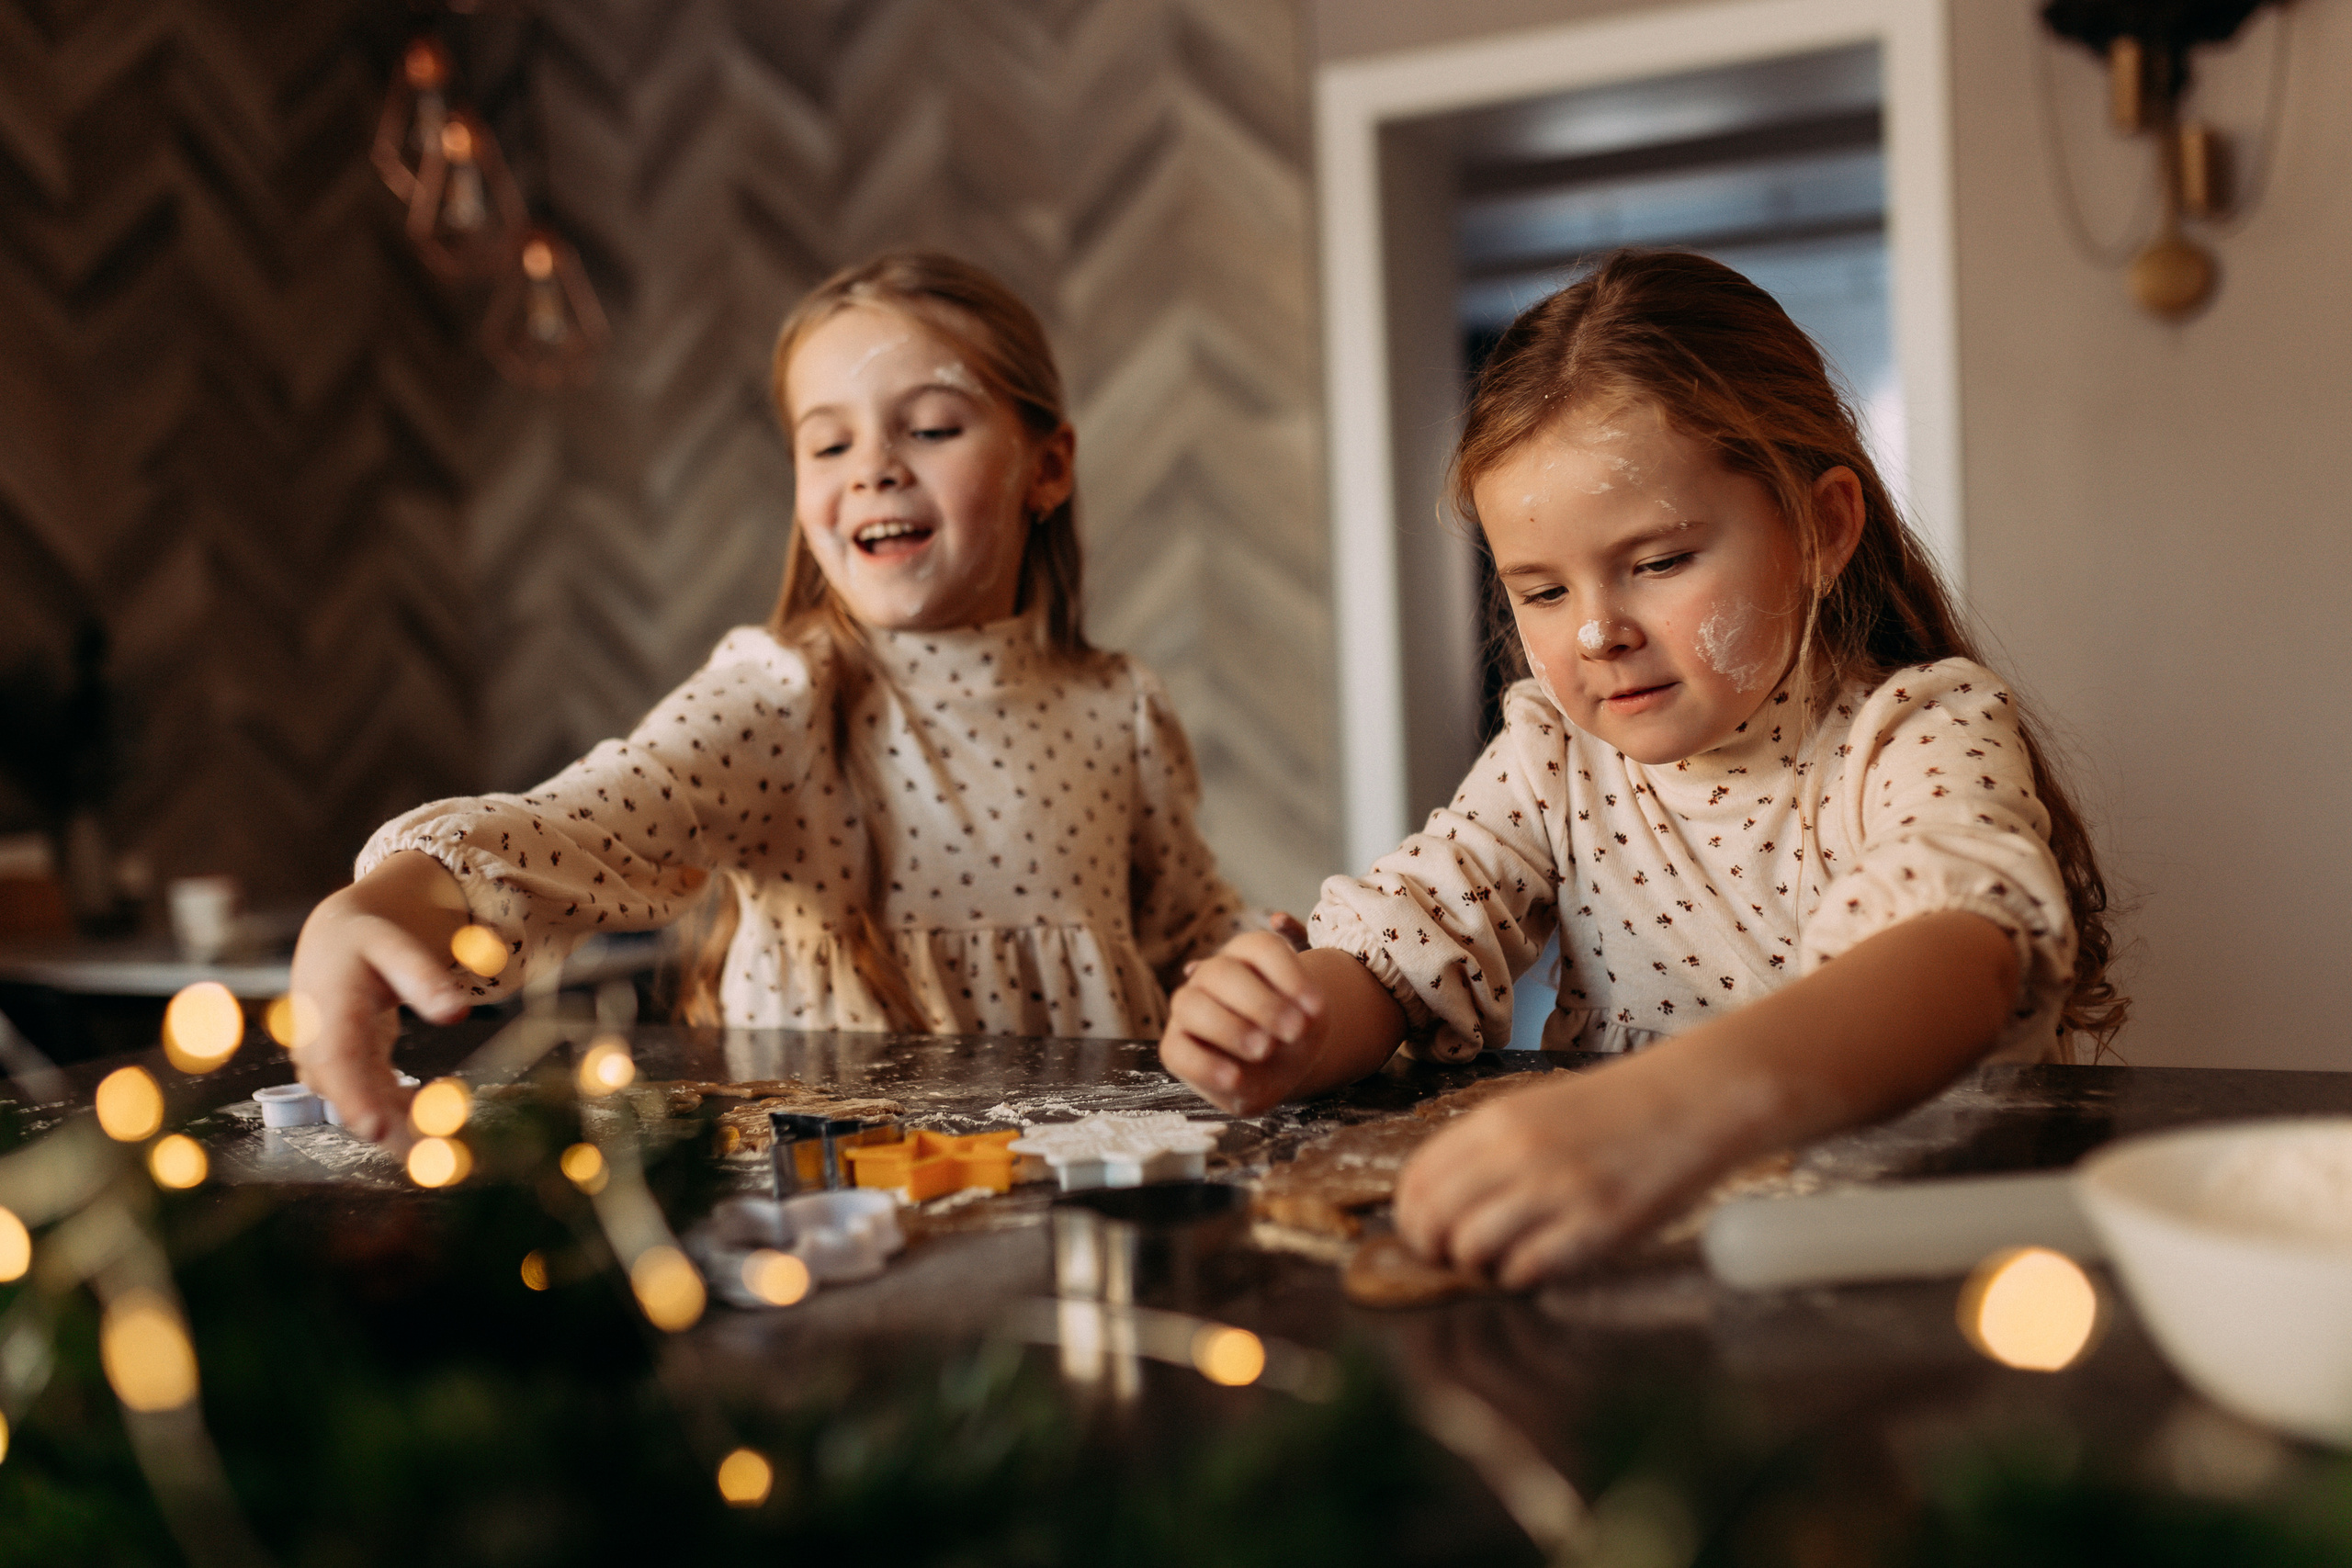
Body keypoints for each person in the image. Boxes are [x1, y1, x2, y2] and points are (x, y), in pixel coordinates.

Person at [1160, 250, 2124, 1288]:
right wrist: (1286, 1025)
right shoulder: (1555, 760)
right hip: (1653, 1281)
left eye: (1658, 563)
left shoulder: (1915, 732)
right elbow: (1406, 948)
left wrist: (1672, 1109)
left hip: (1905, 1267)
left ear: (1822, 529)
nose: (1596, 633)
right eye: (1542, 592)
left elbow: (1960, 959)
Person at [294, 251, 1252, 1140]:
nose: (873, 467)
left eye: (929, 428)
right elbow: (584, 823)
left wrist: (1254, 975)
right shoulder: (780, 697)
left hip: (1085, 1182)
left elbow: (1188, 933)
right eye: (827, 444)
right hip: (840, 1209)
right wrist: (385, 903)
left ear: (1047, 467)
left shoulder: (1120, 706)